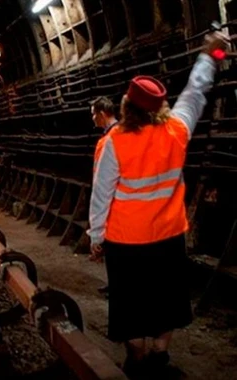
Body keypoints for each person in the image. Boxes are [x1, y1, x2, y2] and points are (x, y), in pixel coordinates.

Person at [87, 31, 229, 377]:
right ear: (160, 106)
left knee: (131, 301)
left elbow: (102, 194)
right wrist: (212, 55)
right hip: (167, 236)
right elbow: (195, 93)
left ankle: (137, 357)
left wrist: (96, 236)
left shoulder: (114, 143)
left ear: (126, 105)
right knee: (167, 297)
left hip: (126, 240)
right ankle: (161, 354)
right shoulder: (177, 131)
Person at [90, 96, 118, 298]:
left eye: (93, 114)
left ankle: (118, 286)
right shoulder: (109, 136)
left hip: (114, 202)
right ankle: (113, 283)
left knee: (115, 247)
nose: (92, 118)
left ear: (101, 114)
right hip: (111, 199)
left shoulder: (114, 138)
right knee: (111, 249)